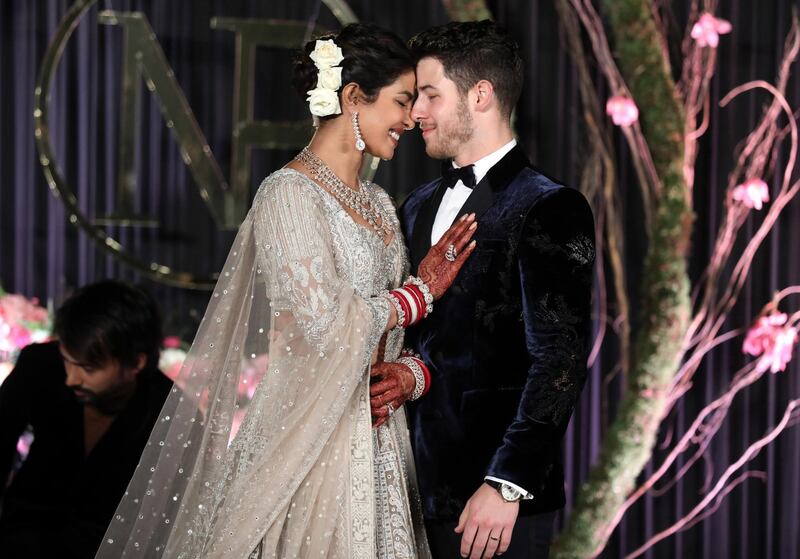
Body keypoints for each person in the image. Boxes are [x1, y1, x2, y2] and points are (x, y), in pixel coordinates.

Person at [95, 24, 476, 559]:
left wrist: (409, 375)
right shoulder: (288, 195)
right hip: (305, 445)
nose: (412, 119)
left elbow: (398, 338)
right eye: (402, 100)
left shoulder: (381, 206)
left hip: (378, 446)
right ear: (352, 98)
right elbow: (326, 323)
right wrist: (419, 293)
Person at [369, 20, 595, 559]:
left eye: (429, 95)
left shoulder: (549, 206)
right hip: (405, 487)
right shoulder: (418, 203)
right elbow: (421, 333)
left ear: (481, 95)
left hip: (491, 505)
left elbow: (559, 361)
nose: (415, 112)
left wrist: (506, 484)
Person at [0, 280, 171, 559]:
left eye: (89, 368)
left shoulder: (167, 410)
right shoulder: (40, 365)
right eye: (68, 360)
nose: (71, 378)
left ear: (136, 363)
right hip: (20, 539)